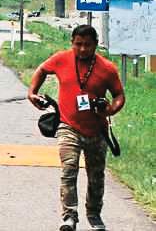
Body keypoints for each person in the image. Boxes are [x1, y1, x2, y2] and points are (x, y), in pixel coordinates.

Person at [27, 25, 125, 231]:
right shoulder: (61, 59)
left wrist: (110, 111)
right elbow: (42, 69)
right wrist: (32, 92)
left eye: (87, 45)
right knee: (69, 169)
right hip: (68, 125)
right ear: (72, 42)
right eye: (78, 44)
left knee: (96, 176)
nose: (82, 49)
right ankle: (69, 217)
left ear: (96, 45)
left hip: (97, 130)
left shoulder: (107, 68)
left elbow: (119, 95)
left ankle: (94, 215)